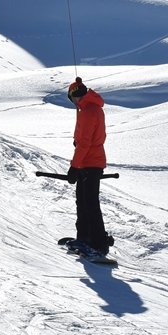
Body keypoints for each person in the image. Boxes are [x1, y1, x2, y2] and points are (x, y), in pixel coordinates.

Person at [66, 77, 111, 258]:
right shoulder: (94, 108)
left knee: (89, 204)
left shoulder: (87, 111)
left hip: (89, 162)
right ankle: (85, 238)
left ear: (75, 96)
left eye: (72, 99)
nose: (73, 103)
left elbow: (84, 143)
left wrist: (74, 167)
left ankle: (98, 243)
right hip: (91, 161)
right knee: (84, 202)